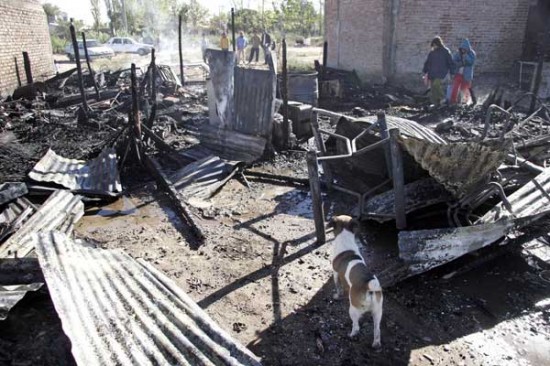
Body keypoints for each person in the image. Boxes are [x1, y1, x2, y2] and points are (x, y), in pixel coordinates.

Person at [422, 36, 454, 105]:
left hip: (441, 72)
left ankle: (443, 98)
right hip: (432, 72)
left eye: (435, 45)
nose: (434, 46)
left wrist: (452, 72)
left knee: (436, 84)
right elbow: (428, 62)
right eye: (433, 45)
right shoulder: (432, 53)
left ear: (438, 44)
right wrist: (425, 70)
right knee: (433, 89)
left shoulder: (445, 51)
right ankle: (435, 103)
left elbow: (450, 62)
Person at [450, 38, 476, 104]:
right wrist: (460, 64)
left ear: (467, 48)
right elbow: (453, 61)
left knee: (465, 89)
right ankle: (453, 101)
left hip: (467, 75)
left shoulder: (472, 53)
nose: (463, 50)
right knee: (455, 88)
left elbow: (471, 62)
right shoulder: (458, 54)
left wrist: (466, 56)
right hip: (458, 74)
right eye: (462, 49)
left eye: (464, 49)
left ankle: (466, 102)